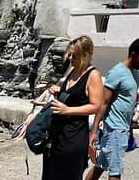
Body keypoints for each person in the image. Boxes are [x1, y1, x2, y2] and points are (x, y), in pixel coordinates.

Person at [85, 38, 139, 180]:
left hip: (123, 128)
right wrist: (94, 131)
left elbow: (129, 102)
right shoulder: (116, 72)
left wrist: (130, 128)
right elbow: (104, 102)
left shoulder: (134, 74)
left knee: (101, 165)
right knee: (115, 172)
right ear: (133, 54)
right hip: (114, 129)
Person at [43, 35, 103, 180]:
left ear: (85, 55)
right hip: (58, 135)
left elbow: (96, 106)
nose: (70, 58)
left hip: (74, 136)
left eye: (74, 55)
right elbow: (73, 96)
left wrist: (67, 110)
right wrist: (58, 91)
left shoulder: (92, 75)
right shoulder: (73, 70)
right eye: (69, 55)